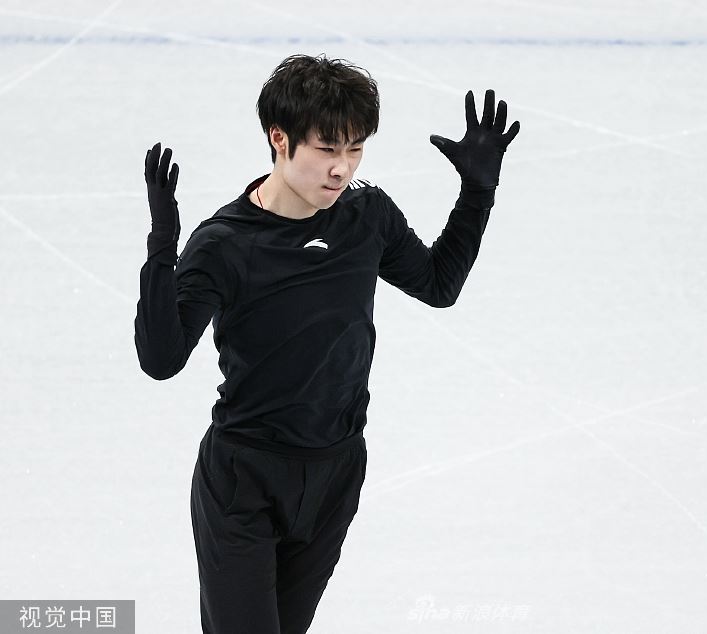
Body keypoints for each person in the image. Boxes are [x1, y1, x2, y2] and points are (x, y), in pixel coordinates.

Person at [133, 53, 520, 634]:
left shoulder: (367, 215)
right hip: (246, 479)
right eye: (327, 149)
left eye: (355, 149)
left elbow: (438, 286)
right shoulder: (225, 244)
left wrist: (477, 192)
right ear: (279, 139)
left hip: (336, 472)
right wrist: (163, 247)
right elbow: (161, 360)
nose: (342, 168)